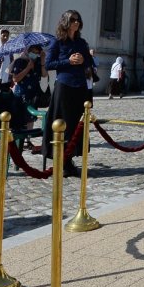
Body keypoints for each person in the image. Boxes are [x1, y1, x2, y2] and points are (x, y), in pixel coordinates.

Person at [46, 10, 94, 177]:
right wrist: (68, 61)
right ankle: (62, 161)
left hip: (79, 87)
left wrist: (83, 61)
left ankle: (71, 159)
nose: (76, 23)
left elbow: (89, 62)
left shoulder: (81, 42)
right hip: (64, 87)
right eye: (73, 20)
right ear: (66, 22)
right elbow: (49, 64)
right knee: (63, 125)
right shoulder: (57, 43)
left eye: (78, 20)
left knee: (76, 125)